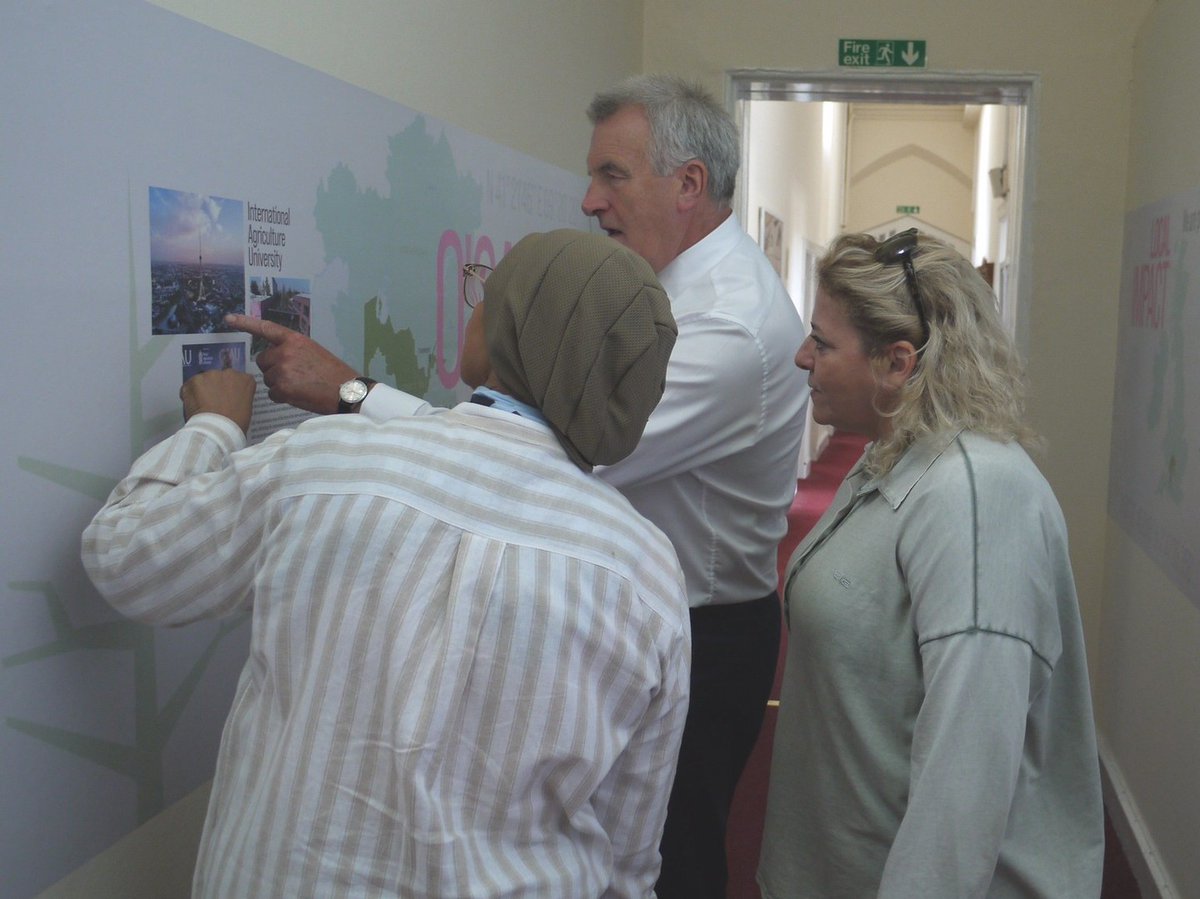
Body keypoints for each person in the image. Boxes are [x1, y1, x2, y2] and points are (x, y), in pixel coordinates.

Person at [228, 73, 809, 898]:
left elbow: (546, 453)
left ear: (688, 185)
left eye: (613, 174)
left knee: (665, 853)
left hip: (699, 632)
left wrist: (352, 394)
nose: (587, 201)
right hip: (636, 610)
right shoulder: (664, 294)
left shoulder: (728, 327)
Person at [82, 230, 690, 898]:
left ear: (500, 333)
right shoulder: (646, 576)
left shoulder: (323, 463)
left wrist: (212, 429)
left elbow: (125, 557)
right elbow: (627, 859)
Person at [757, 229, 1104, 898]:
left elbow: (962, 788)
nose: (803, 356)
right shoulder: (896, 453)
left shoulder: (977, 497)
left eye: (823, 343)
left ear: (897, 361)